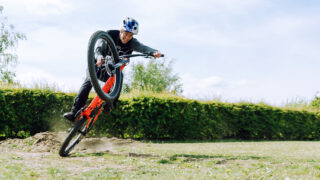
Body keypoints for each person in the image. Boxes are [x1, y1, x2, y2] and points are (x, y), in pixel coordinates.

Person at [63, 17, 162, 122]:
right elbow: (98, 47)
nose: (127, 37)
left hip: (110, 71)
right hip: (97, 65)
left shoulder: (133, 42)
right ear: (121, 30)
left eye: (130, 35)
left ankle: (110, 104)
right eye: (125, 33)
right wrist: (99, 56)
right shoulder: (110, 34)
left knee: (120, 77)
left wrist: (154, 52)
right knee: (88, 82)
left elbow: (143, 48)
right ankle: (74, 112)